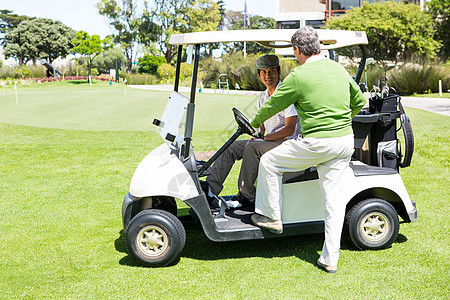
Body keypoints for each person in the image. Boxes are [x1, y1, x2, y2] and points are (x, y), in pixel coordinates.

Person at [249, 26, 366, 273]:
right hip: (344, 142)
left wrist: (251, 123)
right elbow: (358, 102)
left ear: (297, 50)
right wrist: (343, 122)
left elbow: (272, 105)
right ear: (318, 46)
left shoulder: (298, 76)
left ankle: (271, 216)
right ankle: (329, 260)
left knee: (269, 162)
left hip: (316, 144)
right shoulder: (338, 69)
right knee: (334, 203)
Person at [202, 54, 300, 208]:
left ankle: (246, 195)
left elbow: (289, 129)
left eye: (271, 71)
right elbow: (262, 124)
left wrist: (264, 139)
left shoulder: (286, 95)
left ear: (278, 72)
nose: (268, 76)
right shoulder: (263, 97)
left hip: (288, 143)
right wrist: (259, 135)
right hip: (271, 140)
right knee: (232, 147)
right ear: (259, 75)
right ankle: (210, 189)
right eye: (264, 72)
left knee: (252, 147)